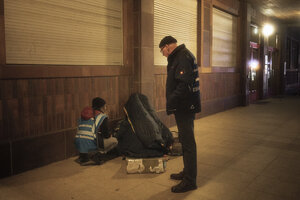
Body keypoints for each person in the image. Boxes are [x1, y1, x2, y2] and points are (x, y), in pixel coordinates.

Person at [159, 36, 201, 193]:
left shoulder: (182, 57)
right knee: (185, 140)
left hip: (185, 107)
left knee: (188, 144)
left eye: (162, 51)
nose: (163, 54)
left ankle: (190, 181)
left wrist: (171, 99)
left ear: (168, 46)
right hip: (185, 106)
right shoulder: (182, 55)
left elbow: (184, 84)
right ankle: (187, 172)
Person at [75, 97, 117, 165]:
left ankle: (84, 156)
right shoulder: (102, 116)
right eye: (105, 106)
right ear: (102, 107)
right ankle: (98, 154)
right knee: (115, 141)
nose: (106, 108)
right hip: (91, 143)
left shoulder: (83, 116)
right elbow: (106, 135)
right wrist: (110, 135)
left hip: (78, 143)